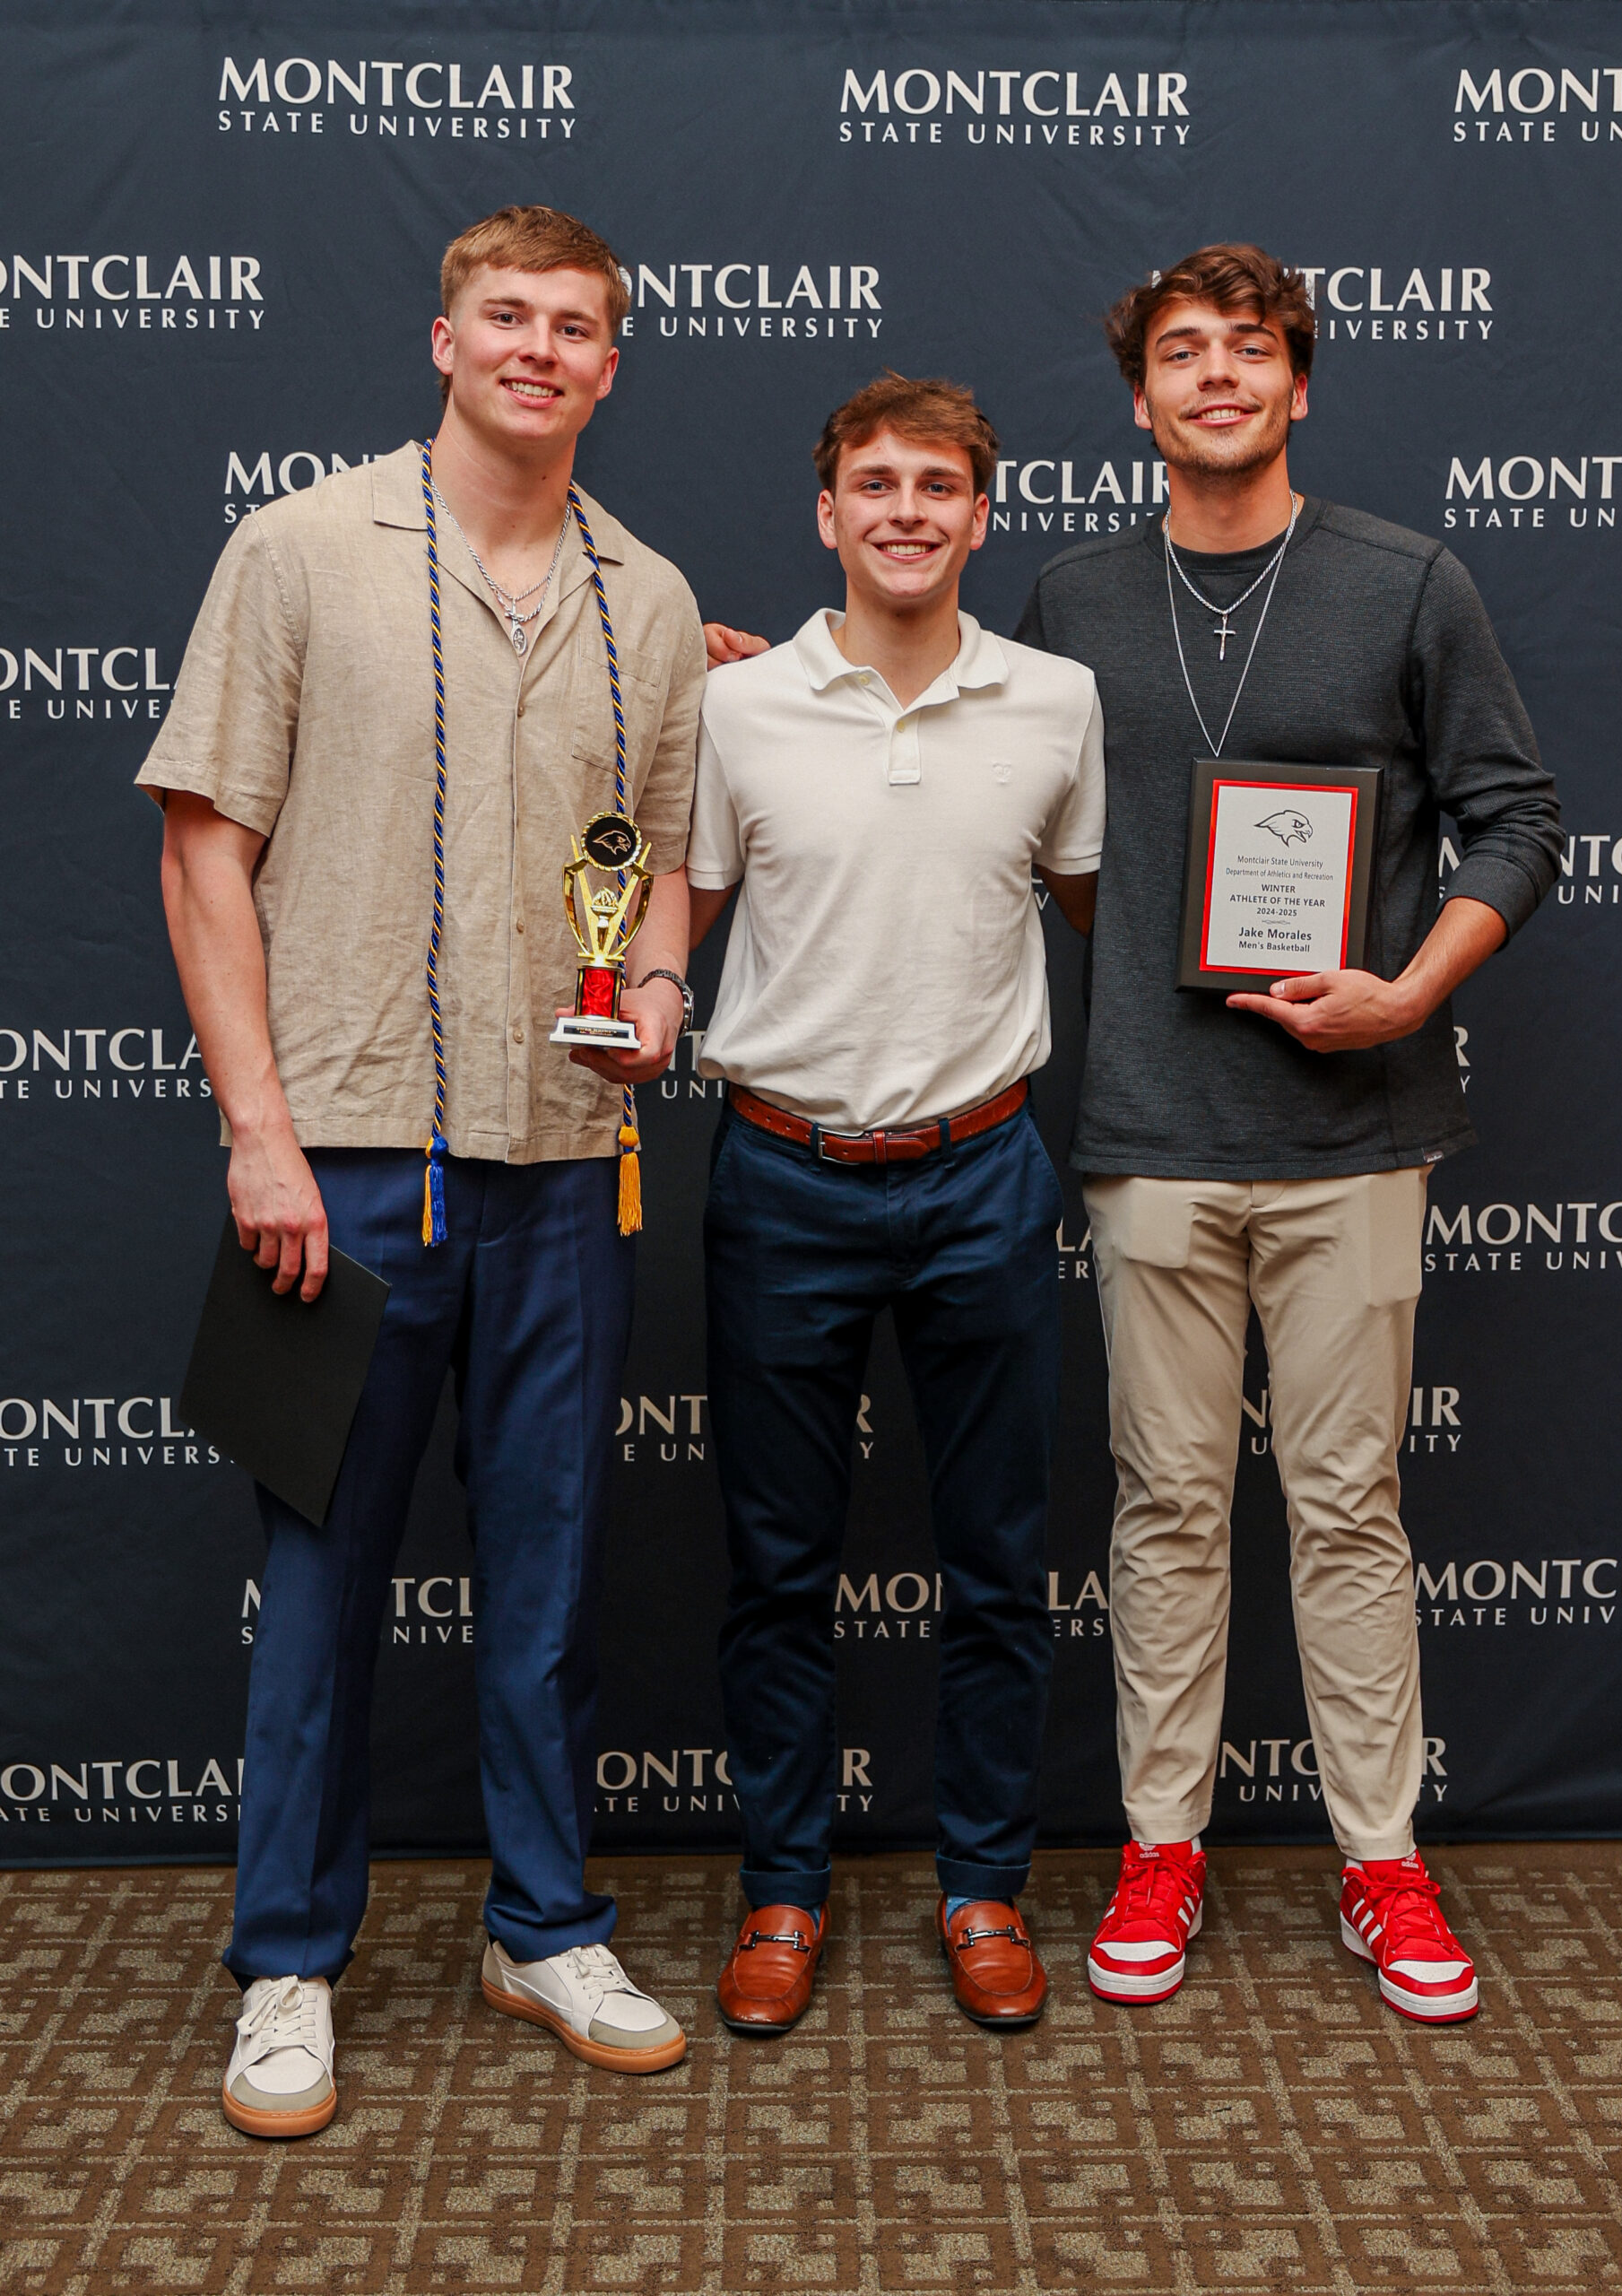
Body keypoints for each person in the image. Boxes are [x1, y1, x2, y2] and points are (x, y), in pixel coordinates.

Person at [140, 205, 706, 2136]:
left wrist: (661, 990)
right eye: (506, 317)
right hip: (352, 1159)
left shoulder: (649, 594)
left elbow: (665, 866)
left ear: (610, 366)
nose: (539, 348)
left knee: (547, 1582)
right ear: (443, 340)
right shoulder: (300, 549)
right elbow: (204, 846)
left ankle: (543, 1921)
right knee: (318, 1584)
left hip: (563, 1160)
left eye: (575, 326)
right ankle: (288, 1957)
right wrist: (261, 1131)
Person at [1013, 244, 1562, 2022]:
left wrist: (1409, 989)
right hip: (1148, 1129)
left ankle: (1378, 1857)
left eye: (1251, 351)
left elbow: (1514, 820)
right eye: (1183, 353)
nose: (1218, 377)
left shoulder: (1408, 579)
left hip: (1354, 1127)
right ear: (1140, 399)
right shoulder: (1073, 595)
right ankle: (1159, 1842)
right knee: (1166, 1503)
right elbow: (974, 782)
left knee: (1347, 1504)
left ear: (1298, 384)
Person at [687, 373, 1105, 2035]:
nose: (908, 509)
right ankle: (783, 1893)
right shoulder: (735, 708)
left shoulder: (1058, 701)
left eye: (940, 484)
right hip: (783, 1174)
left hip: (985, 1173)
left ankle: (984, 1888)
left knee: (1000, 1561)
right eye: (876, 481)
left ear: (981, 516)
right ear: (828, 512)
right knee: (776, 1567)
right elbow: (669, 917)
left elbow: (1100, 917)